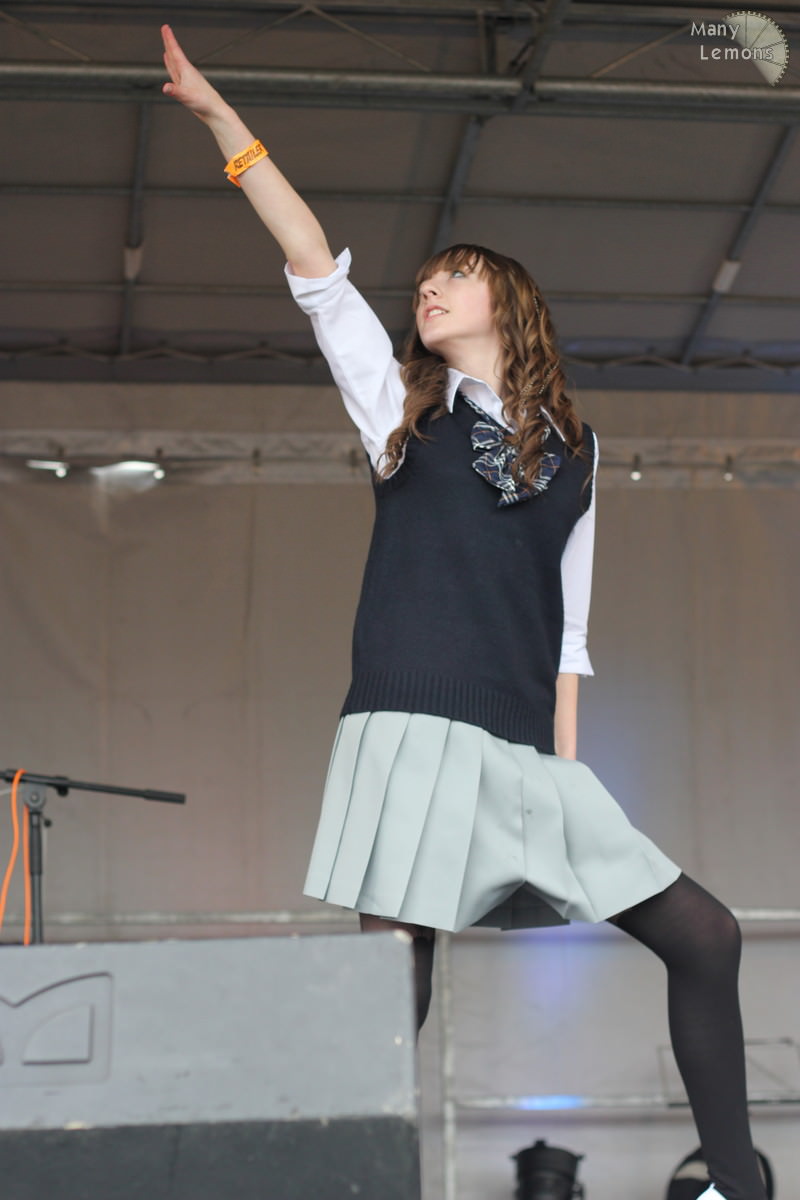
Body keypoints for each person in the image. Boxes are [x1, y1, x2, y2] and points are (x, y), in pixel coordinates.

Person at [161, 25, 767, 1200]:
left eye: (453, 274)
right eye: (421, 283)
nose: (426, 288)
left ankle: (739, 1190)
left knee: (707, 934)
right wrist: (221, 122)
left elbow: (568, 631)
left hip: (521, 750)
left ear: (508, 302)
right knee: (393, 986)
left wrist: (567, 780)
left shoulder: (580, 450)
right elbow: (311, 263)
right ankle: (332, 1180)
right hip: (408, 727)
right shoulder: (399, 407)